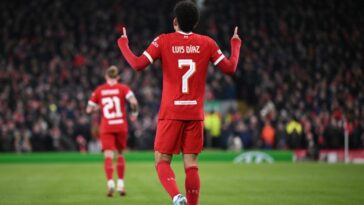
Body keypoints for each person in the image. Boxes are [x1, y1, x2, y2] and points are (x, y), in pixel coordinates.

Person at [117, 1, 242, 204]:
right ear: (195, 23)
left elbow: (138, 64)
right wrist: (235, 44)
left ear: (175, 21)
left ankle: (176, 197)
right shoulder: (207, 43)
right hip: (195, 113)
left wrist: (123, 44)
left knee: (162, 160)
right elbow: (230, 68)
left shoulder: (163, 41)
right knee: (191, 164)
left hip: (171, 112)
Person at [86, 65, 139, 197]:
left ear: (106, 77)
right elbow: (133, 102)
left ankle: (110, 183)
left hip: (107, 126)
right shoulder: (123, 88)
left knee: (108, 155)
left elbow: (88, 109)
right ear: (118, 77)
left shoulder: (100, 90)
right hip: (121, 125)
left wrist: (99, 107)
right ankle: (121, 184)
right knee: (120, 154)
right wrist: (134, 113)